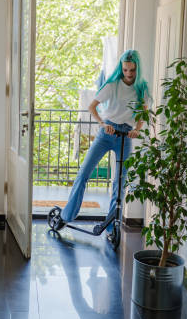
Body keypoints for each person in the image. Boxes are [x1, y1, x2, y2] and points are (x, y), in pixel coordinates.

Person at [53, 49, 149, 236]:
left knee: (120, 182)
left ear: (137, 69)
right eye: (126, 70)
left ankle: (111, 224)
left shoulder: (141, 87)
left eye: (132, 70)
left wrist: (137, 129)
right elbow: (92, 107)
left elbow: (143, 113)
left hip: (125, 136)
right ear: (122, 68)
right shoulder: (112, 85)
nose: (129, 74)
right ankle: (66, 215)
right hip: (107, 133)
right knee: (84, 174)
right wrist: (103, 123)